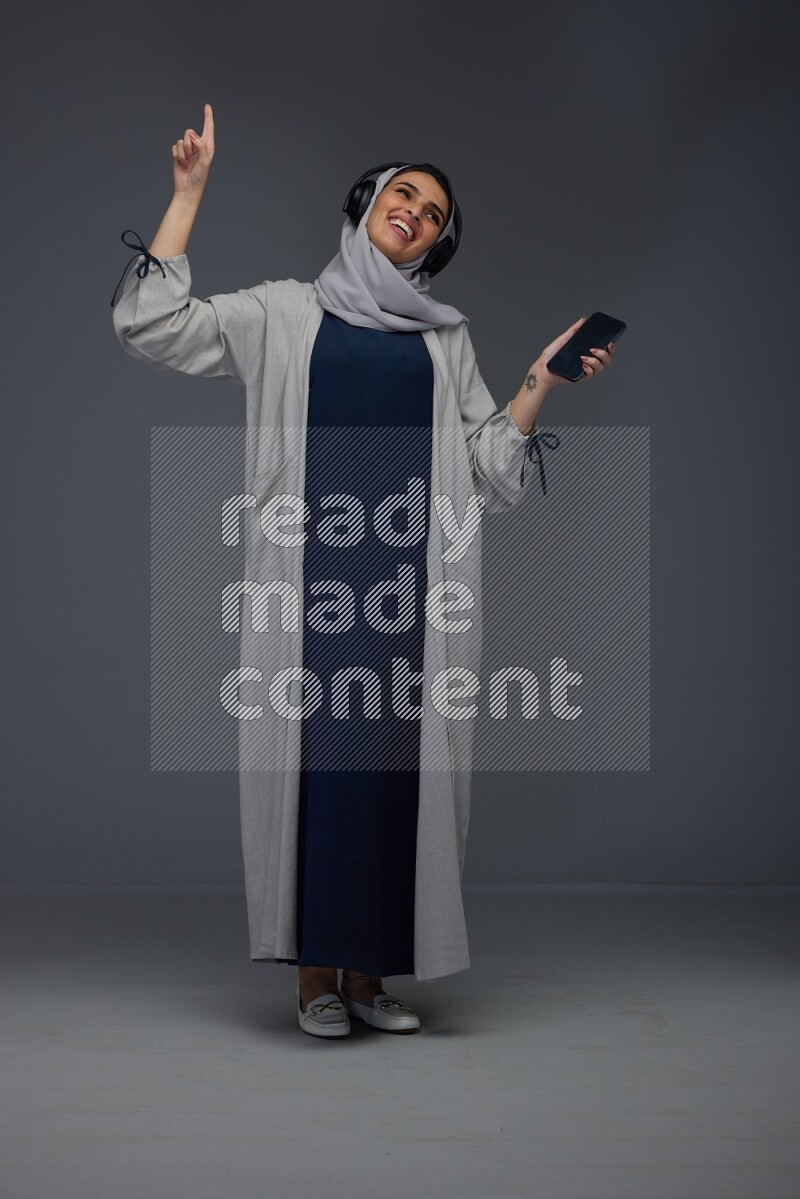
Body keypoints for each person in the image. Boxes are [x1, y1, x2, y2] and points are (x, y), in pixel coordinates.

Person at [111, 103, 615, 1040]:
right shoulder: (283, 313)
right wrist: (187, 196)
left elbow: (489, 473)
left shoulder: (443, 339)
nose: (416, 213)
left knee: (395, 778)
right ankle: (313, 976)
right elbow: (153, 324)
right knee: (320, 779)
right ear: (366, 204)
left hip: (413, 594)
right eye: (404, 195)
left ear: (435, 245)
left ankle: (372, 969)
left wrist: (540, 377)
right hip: (312, 590)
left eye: (433, 213)